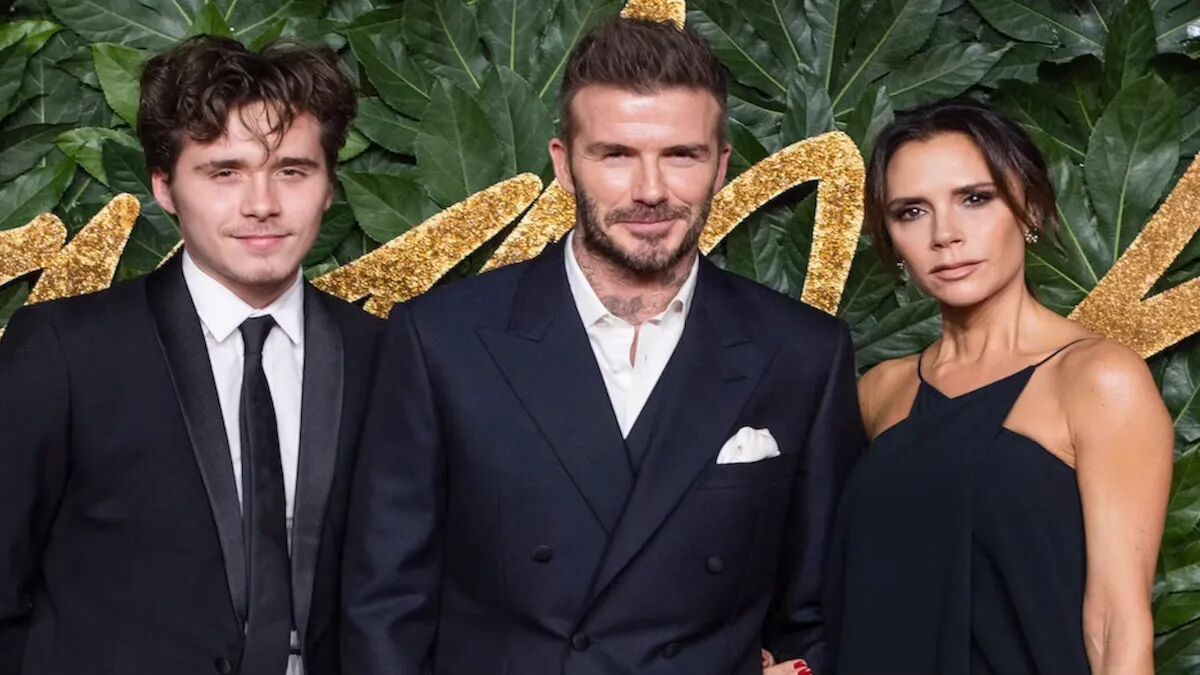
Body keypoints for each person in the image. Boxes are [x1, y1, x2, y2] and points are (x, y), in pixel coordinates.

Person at [340, 17, 863, 675]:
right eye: (616, 155)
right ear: (565, 165)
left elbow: (820, 609)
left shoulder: (803, 352)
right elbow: (385, 606)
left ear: (721, 166)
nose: (650, 190)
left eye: (682, 155)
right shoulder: (440, 338)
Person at [0, 36, 379, 675]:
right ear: (165, 187)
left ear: (328, 187)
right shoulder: (65, 351)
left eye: (292, 170)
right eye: (224, 172)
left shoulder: (382, 355)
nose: (261, 204)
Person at [826, 98, 1173, 674]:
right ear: (890, 237)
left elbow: (1116, 625)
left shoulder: (1097, 379)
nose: (945, 235)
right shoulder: (880, 392)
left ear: (1029, 206)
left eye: (975, 199)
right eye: (911, 212)